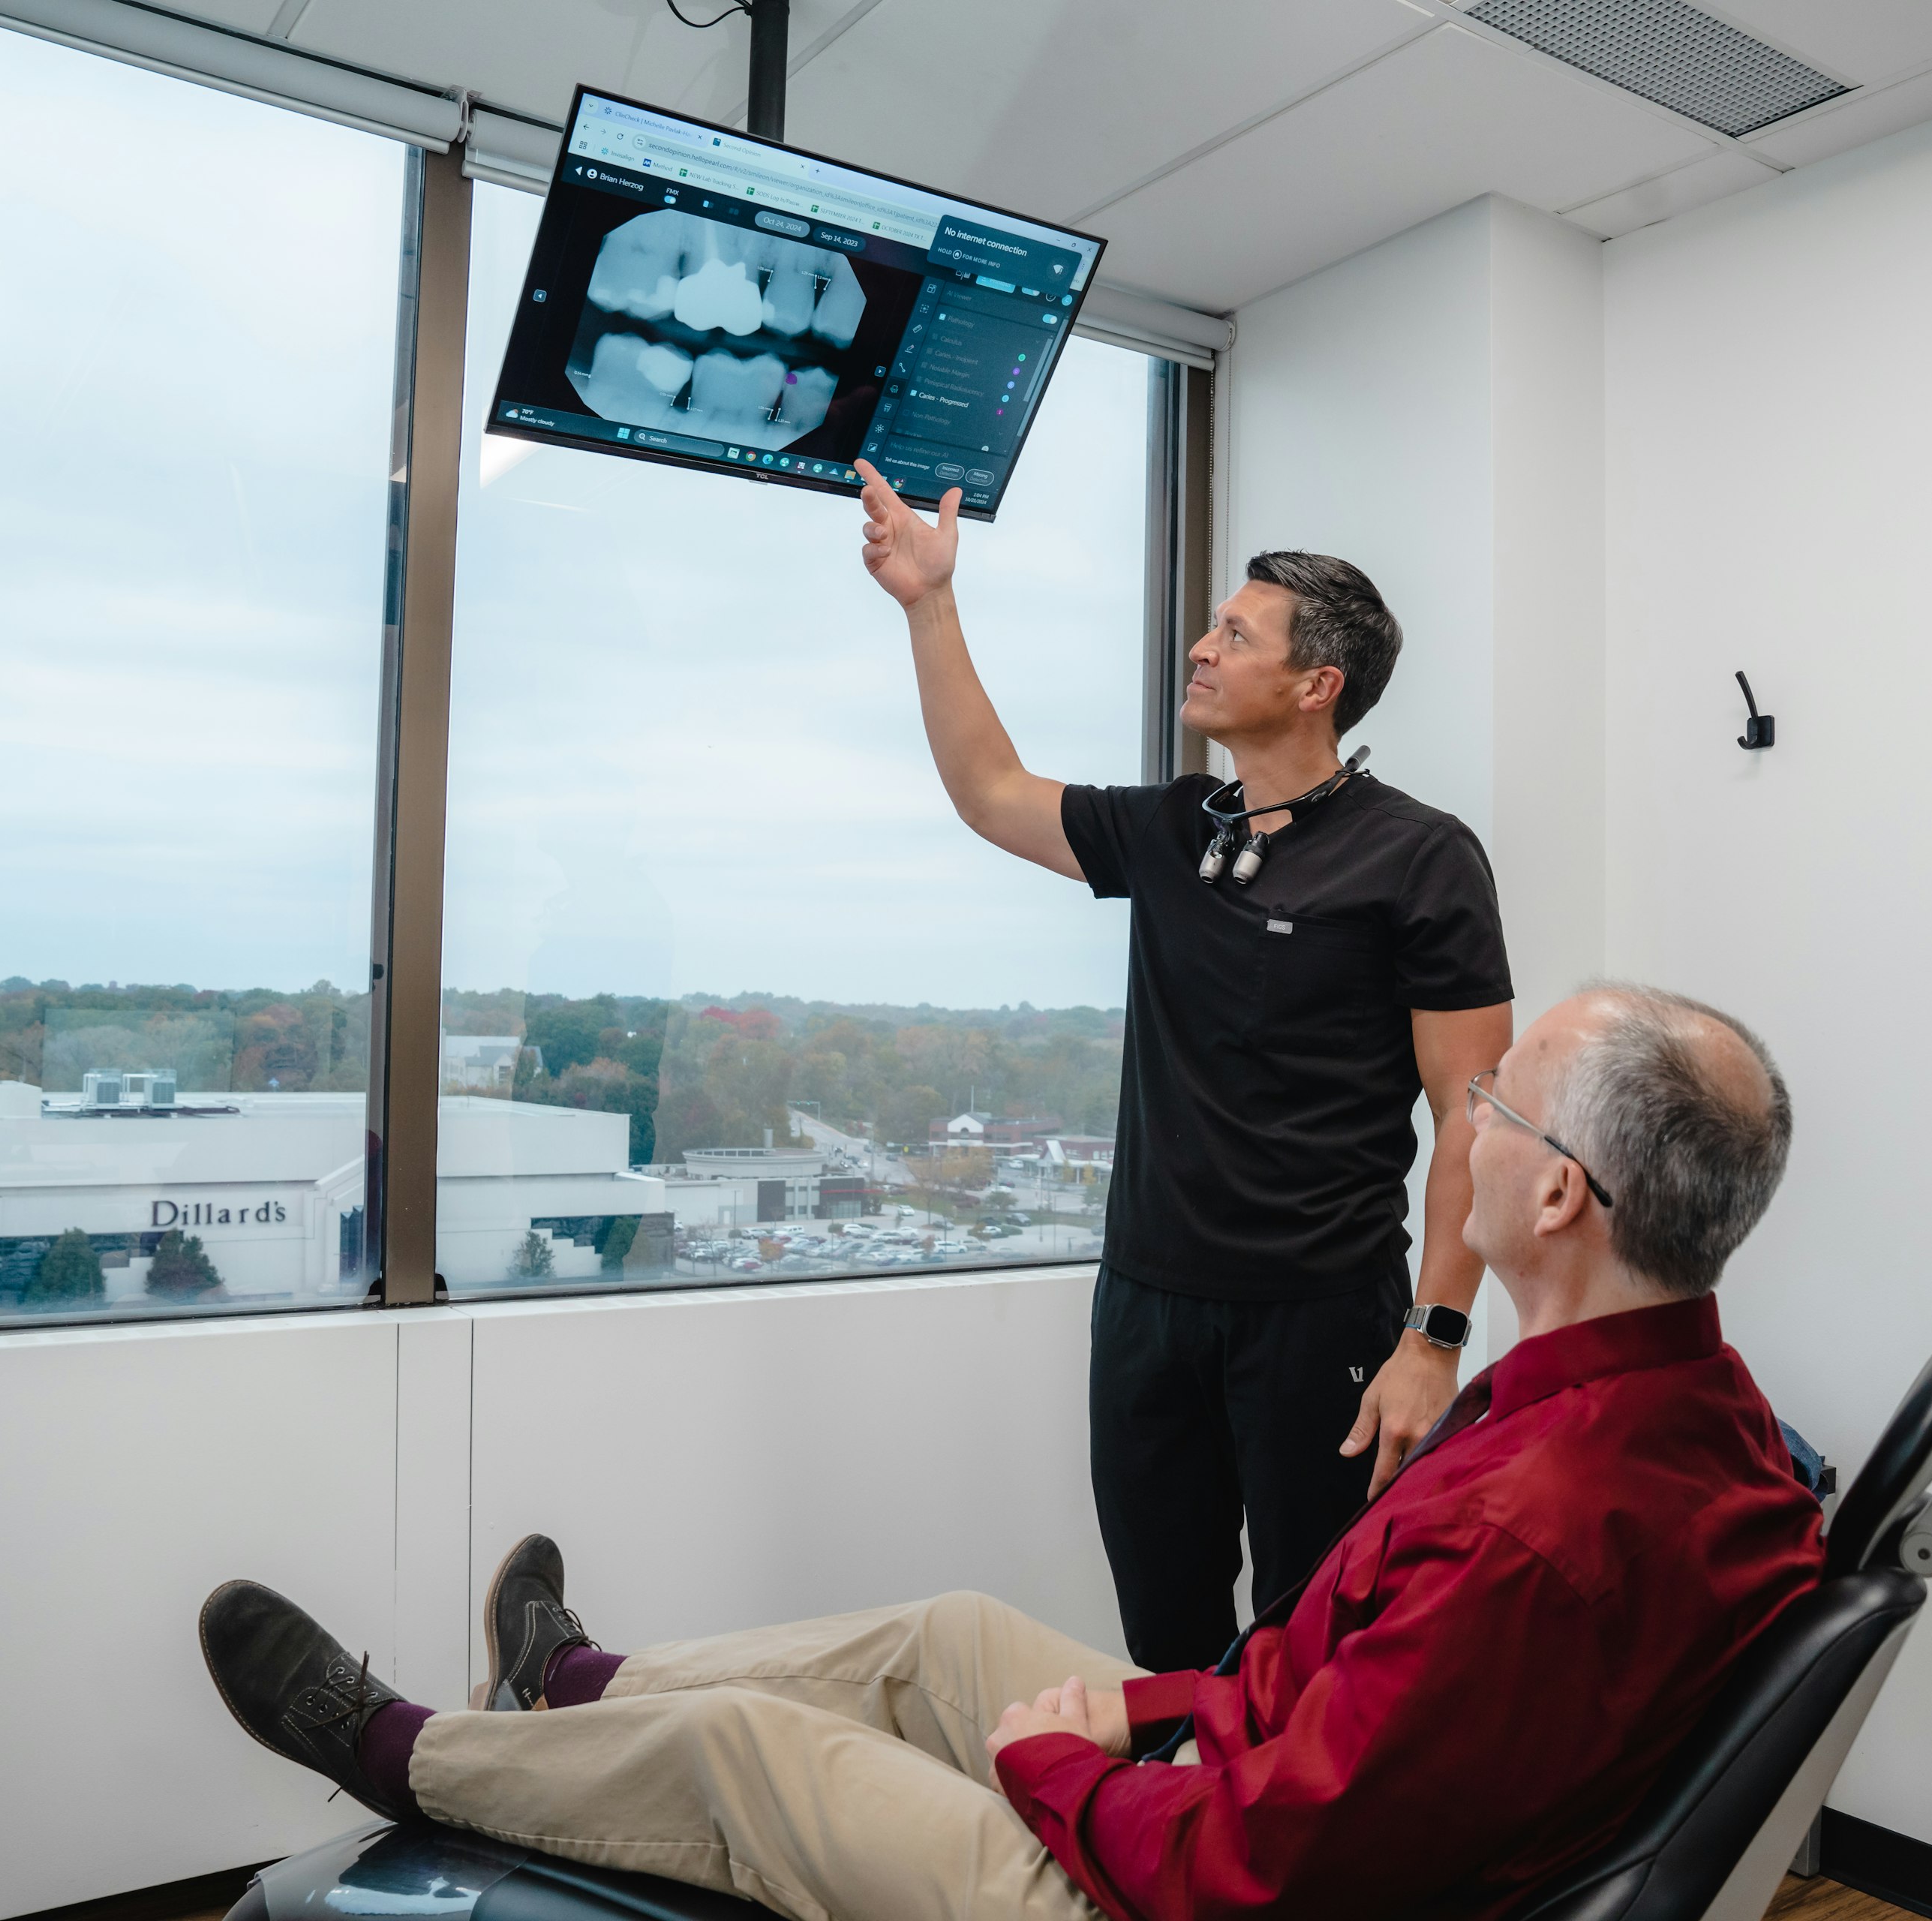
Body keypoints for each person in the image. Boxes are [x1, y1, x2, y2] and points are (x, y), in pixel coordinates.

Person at [198, 984, 1825, 1921]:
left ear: (1555, 1197)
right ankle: (576, 1686)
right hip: (1262, 1782)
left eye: (1495, 1098)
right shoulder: (1703, 1417)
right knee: (951, 1633)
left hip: (1187, 1898)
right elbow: (1370, 1701)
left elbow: (1266, 1868)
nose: (1457, 1113)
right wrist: (1163, 1702)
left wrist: (1068, 1764)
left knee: (753, 1755)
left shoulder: (1540, 1525)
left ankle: (400, 1746)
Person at [847, 462, 1516, 1672]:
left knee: (1317, 1652)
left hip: (1324, 1320)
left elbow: (1476, 1115)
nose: (1201, 648)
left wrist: (1436, 1339)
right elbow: (991, 794)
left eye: (1233, 633)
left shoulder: (1420, 859)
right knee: (1166, 1643)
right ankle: (1167, 1845)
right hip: (1147, 1307)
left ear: (1317, 684)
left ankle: (1303, 1862)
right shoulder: (1172, 830)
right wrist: (928, 606)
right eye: (1211, 623)